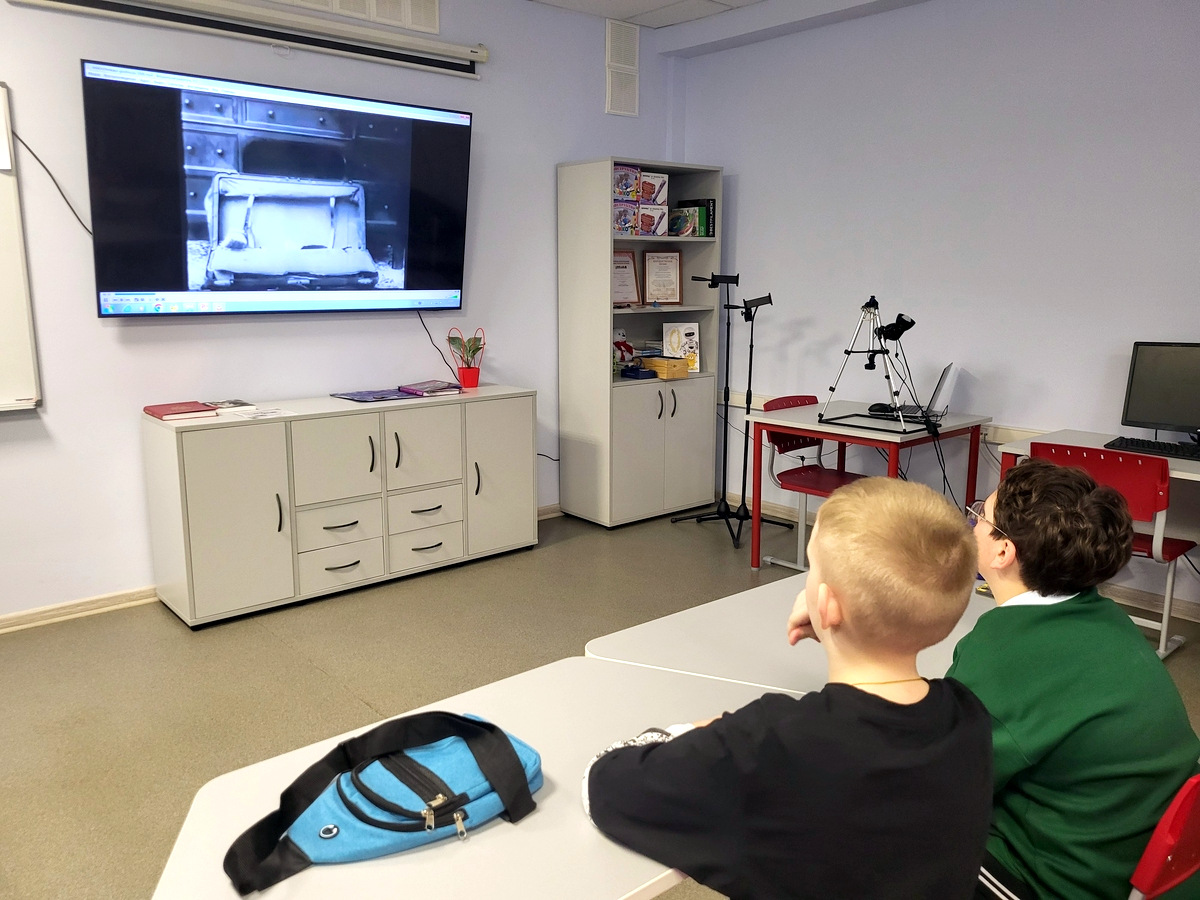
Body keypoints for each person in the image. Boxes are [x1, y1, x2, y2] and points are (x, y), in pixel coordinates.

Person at [583, 478, 993, 900]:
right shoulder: (970, 718)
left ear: (826, 605)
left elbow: (605, 784)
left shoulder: (770, 739)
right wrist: (837, 633)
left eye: (812, 569)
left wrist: (696, 730)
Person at [946, 458, 1200, 900]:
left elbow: (940, 778)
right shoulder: (1107, 617)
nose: (972, 524)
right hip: (1141, 852)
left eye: (979, 516)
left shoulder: (1002, 654)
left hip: (1062, 880)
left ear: (1003, 552)